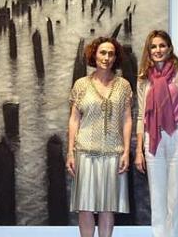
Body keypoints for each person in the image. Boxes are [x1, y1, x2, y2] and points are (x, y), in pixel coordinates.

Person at [66, 36, 132, 237]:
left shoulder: (123, 86)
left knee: (107, 207)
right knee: (85, 207)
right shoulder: (81, 85)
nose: (106, 57)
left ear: (115, 58)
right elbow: (74, 120)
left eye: (111, 53)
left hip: (113, 152)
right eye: (102, 52)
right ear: (94, 55)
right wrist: (70, 152)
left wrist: (127, 151)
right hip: (85, 152)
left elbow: (127, 120)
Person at [134, 30, 178, 237]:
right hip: (153, 139)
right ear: (148, 51)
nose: (158, 50)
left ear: (169, 48)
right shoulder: (143, 79)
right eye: (153, 46)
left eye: (161, 45)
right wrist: (139, 151)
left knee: (176, 199)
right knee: (157, 198)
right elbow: (141, 115)